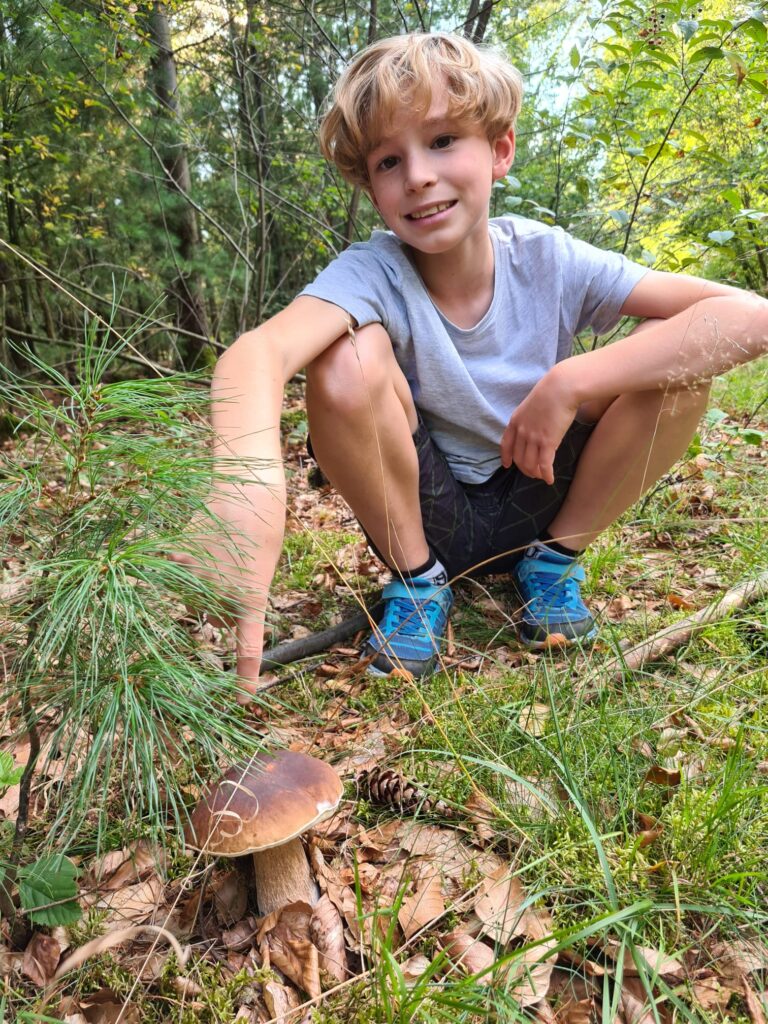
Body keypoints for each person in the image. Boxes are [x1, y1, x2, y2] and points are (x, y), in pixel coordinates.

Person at [200, 32, 767, 691]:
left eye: (442, 141)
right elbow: (259, 353)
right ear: (372, 188)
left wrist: (571, 379)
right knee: (345, 357)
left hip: (543, 496)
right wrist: (244, 482)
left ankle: (553, 568)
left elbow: (749, 317)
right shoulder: (372, 272)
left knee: (677, 367)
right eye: (388, 160)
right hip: (426, 516)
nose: (417, 175)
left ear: (500, 150)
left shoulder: (547, 258)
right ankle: (417, 589)